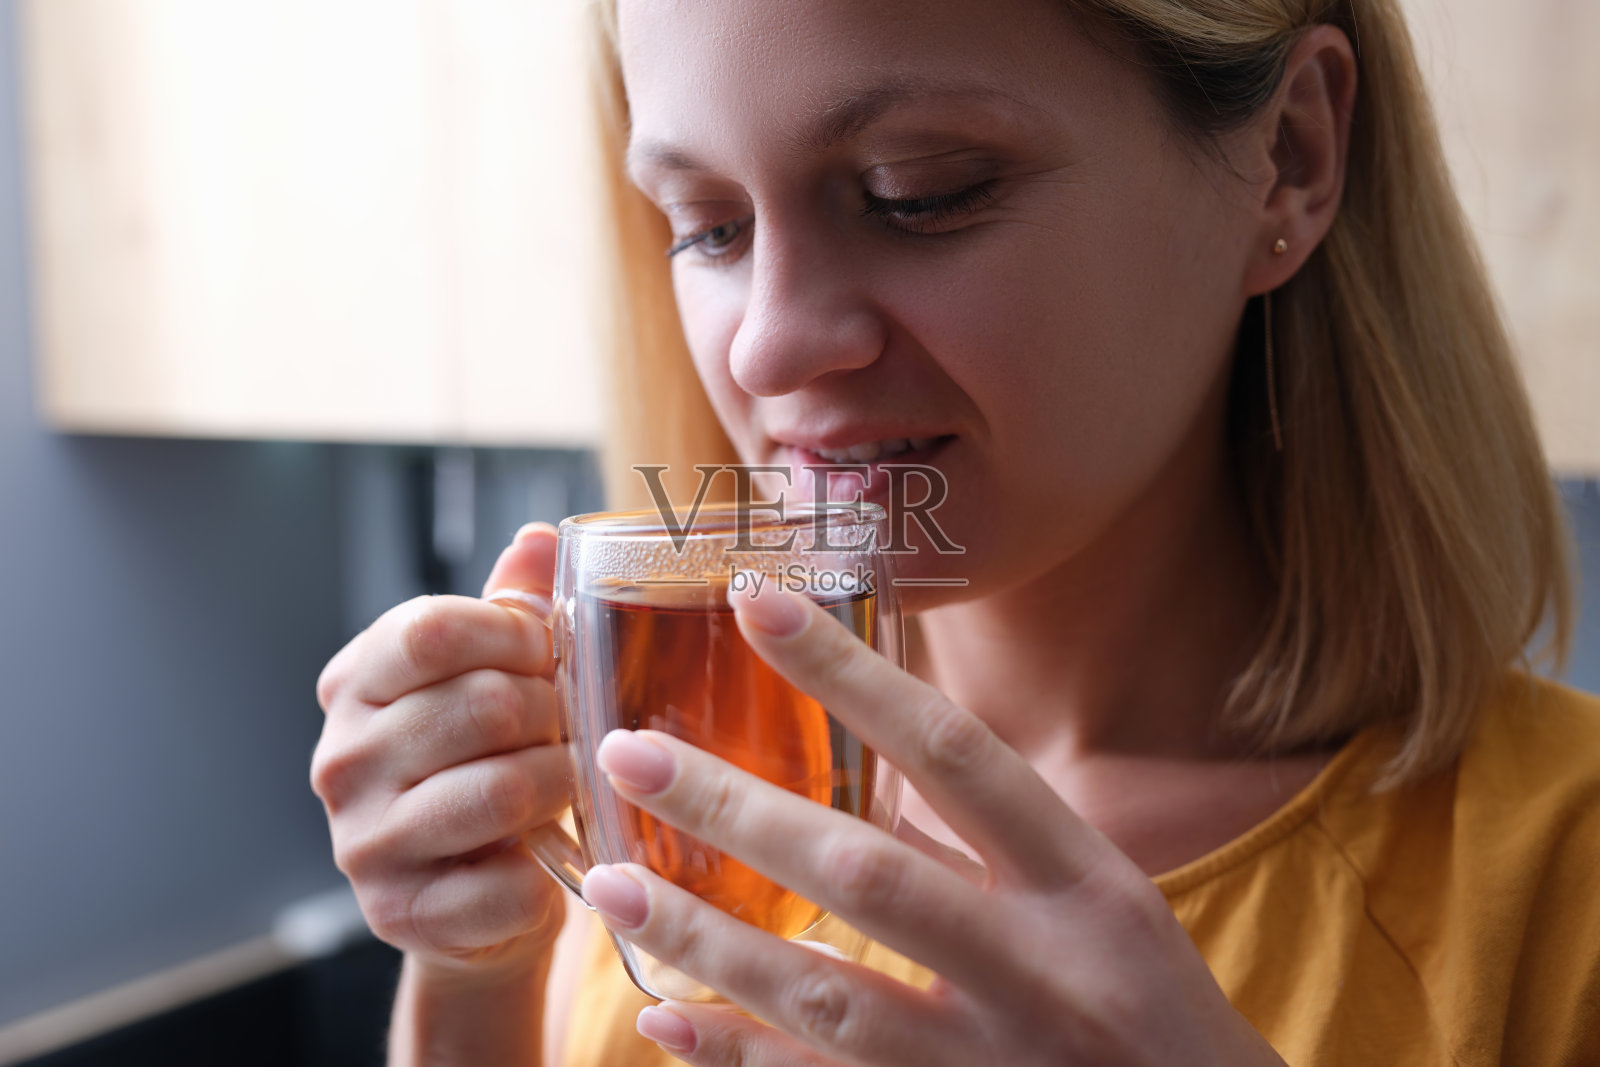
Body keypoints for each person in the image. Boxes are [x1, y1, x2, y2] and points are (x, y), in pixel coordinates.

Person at [312, 0, 1600, 1063]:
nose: (766, 344)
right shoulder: (677, 785)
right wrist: (474, 974)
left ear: (1293, 156)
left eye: (916, 193)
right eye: (707, 225)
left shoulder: (1558, 892)